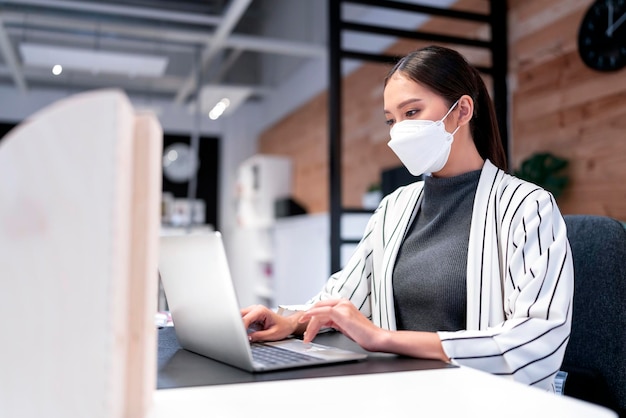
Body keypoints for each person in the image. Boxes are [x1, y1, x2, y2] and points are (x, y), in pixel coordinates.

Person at [241, 45, 574, 391]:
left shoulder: (528, 206)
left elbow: (538, 338)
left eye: (411, 112)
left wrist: (384, 339)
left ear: (462, 110)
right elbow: (347, 295)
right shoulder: (394, 207)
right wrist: (290, 322)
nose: (399, 130)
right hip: (402, 393)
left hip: (486, 399)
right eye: (391, 120)